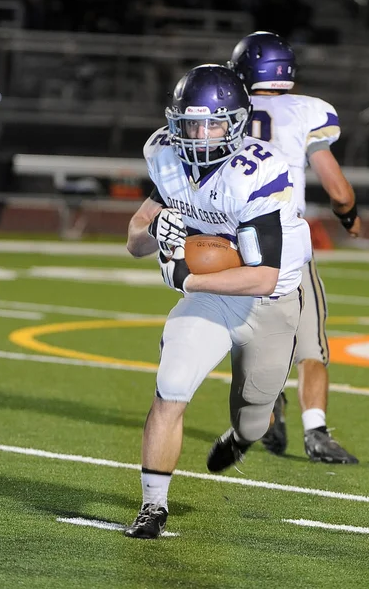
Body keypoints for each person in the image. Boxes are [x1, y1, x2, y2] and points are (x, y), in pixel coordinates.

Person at [124, 64, 312, 539]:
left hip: (270, 299)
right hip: (211, 299)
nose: (201, 134)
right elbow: (134, 240)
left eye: (213, 122)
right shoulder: (165, 155)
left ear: (236, 123)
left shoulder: (259, 171)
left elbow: (264, 275)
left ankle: (245, 435)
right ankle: (152, 507)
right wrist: (157, 232)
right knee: (171, 387)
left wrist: (189, 278)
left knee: (253, 418)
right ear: (175, 123)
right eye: (190, 123)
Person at [227, 31, 361, 464]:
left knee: (251, 336)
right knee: (311, 343)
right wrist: (348, 216)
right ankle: (316, 431)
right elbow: (338, 190)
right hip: (286, 238)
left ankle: (265, 409)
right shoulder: (307, 111)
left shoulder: (227, 110)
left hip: (236, 242)